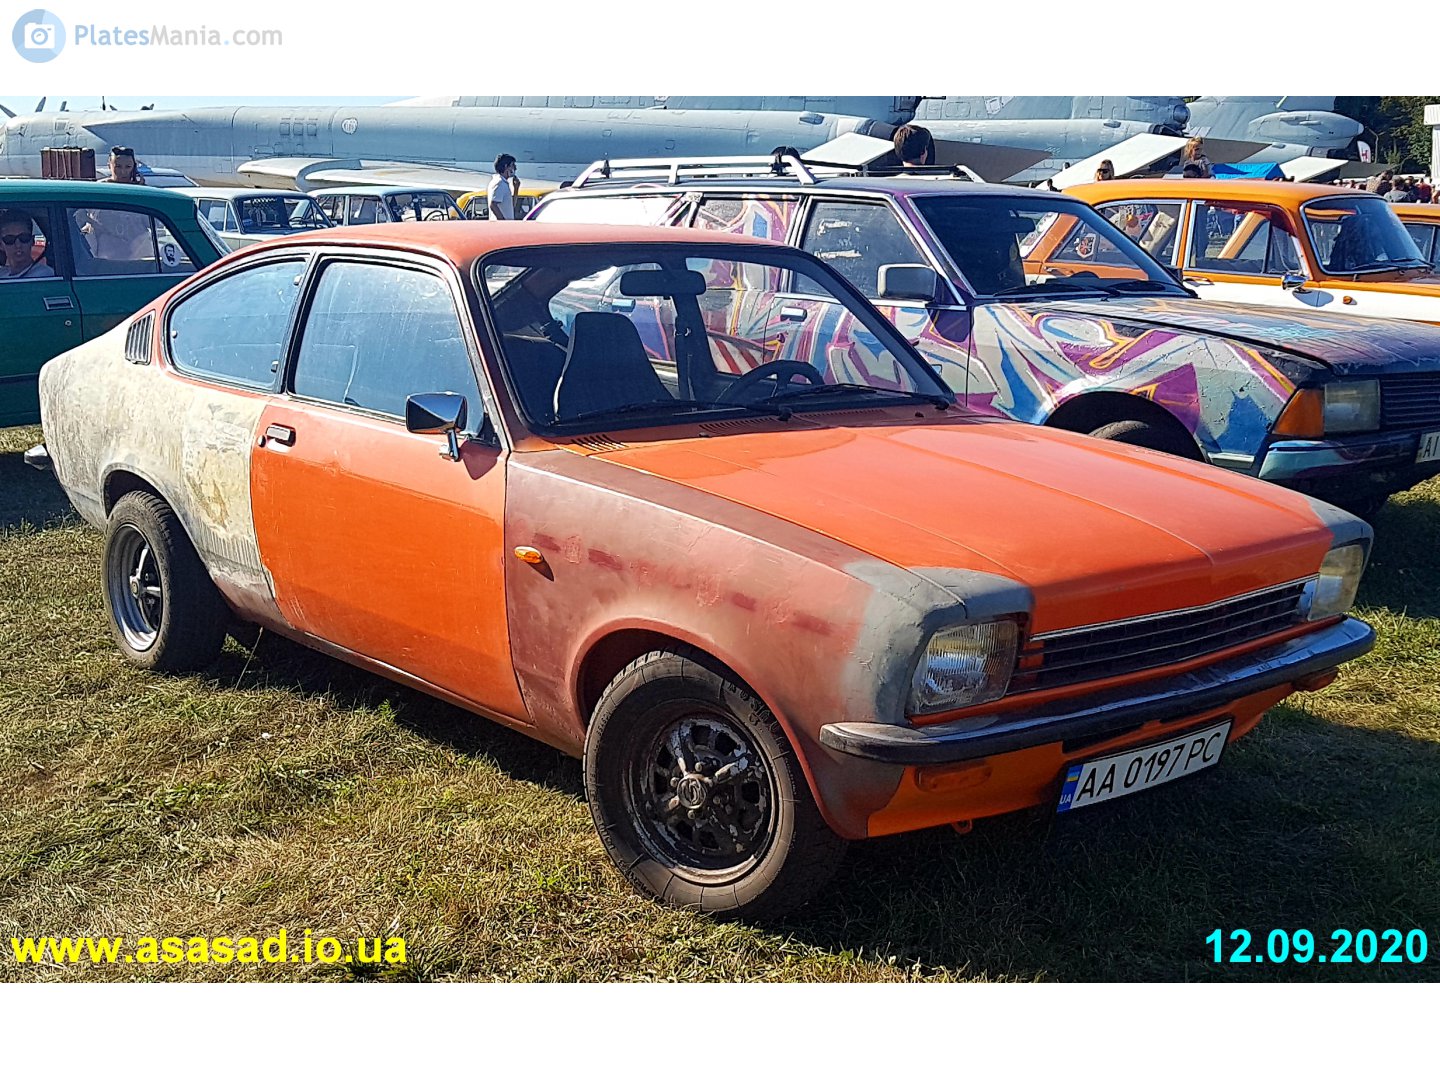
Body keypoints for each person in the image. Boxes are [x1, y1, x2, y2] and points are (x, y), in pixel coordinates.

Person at [0, 209, 55, 280]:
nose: (18, 245)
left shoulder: (44, 274)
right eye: (9, 239)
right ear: (1, 245)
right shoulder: (2, 273)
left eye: (24, 238)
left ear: (32, 241)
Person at [488, 154, 518, 220]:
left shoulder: (503, 183)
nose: (515, 168)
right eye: (512, 165)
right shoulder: (500, 183)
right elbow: (493, 205)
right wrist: (502, 222)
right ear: (506, 166)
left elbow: (511, 206)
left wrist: (516, 189)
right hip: (501, 227)